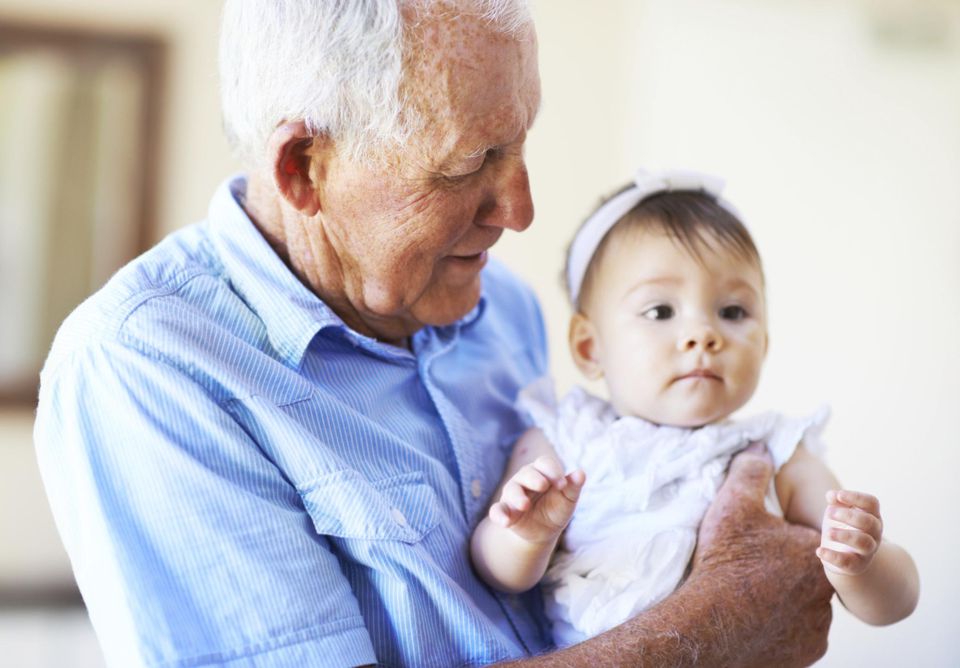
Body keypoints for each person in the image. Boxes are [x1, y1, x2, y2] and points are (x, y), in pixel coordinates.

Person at [34, 2, 834, 666]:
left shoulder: (502, 308)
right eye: (471, 163)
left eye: (521, 142)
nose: (519, 209)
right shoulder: (145, 369)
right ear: (303, 166)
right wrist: (714, 628)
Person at [470, 169, 920, 647]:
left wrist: (862, 563)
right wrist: (525, 535)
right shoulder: (562, 440)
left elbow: (898, 600)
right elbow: (497, 571)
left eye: (732, 312)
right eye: (660, 311)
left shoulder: (776, 458)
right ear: (589, 347)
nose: (703, 333)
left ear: (763, 344)